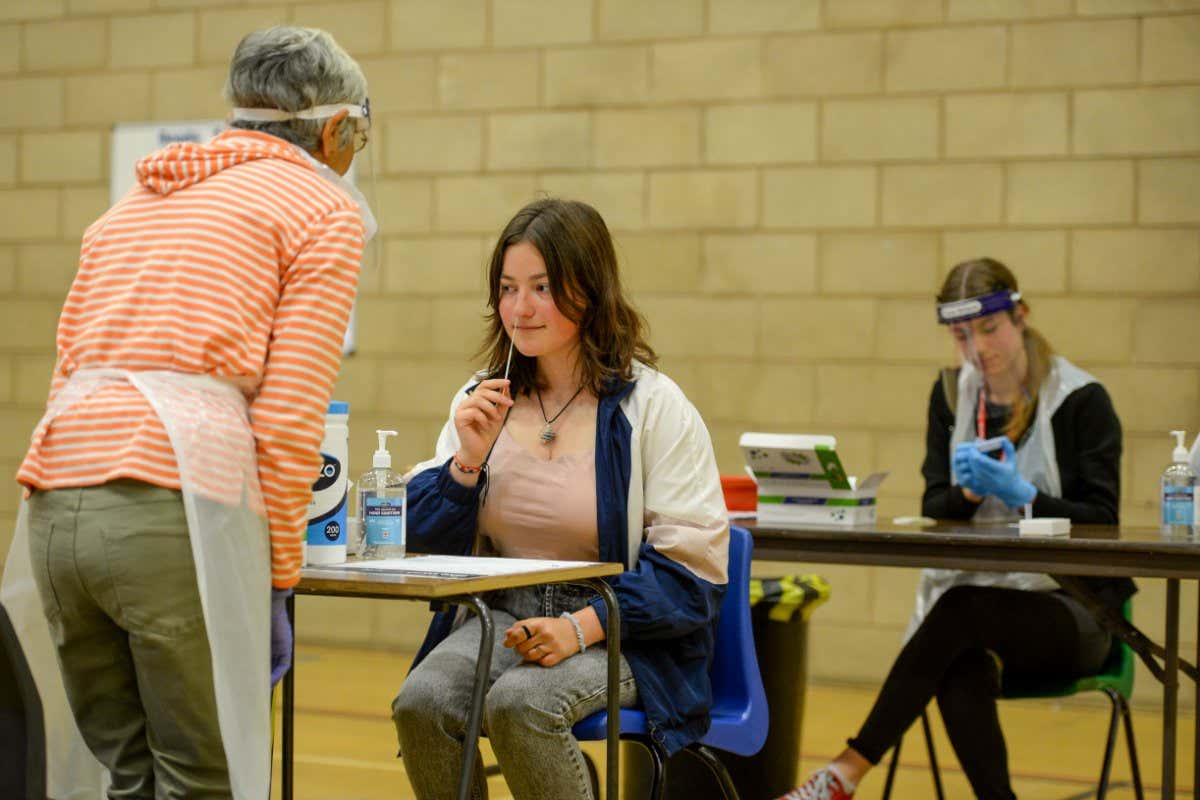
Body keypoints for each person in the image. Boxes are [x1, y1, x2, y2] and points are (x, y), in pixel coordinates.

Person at [1, 25, 372, 799]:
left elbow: (69, 366)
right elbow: (290, 414)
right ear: (336, 129)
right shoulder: (321, 207)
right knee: (204, 779)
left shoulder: (134, 203)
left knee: (127, 774)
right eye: (360, 137)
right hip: (168, 510)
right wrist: (277, 580)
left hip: (53, 505)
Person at [390, 197, 730, 800]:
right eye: (508, 288)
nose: (521, 309)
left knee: (523, 705)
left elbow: (691, 573)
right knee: (421, 702)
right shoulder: (480, 396)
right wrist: (464, 465)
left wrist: (583, 625)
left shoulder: (653, 405)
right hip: (501, 614)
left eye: (542, 287)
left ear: (589, 291)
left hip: (618, 624)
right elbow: (421, 545)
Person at [779, 258, 1133, 800]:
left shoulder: (1082, 400)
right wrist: (966, 494)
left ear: (1020, 316)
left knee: (959, 611)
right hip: (981, 614)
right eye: (961, 335)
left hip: (1077, 610)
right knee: (958, 661)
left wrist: (1026, 496)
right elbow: (933, 502)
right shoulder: (951, 395)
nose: (977, 349)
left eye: (989, 330)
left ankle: (846, 771)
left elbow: (1104, 522)